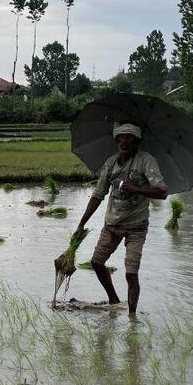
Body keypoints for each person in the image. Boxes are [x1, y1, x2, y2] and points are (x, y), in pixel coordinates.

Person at [74, 122, 167, 315]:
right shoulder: (111, 163)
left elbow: (162, 192)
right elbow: (98, 194)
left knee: (131, 273)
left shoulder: (146, 161)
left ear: (137, 141)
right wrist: (81, 223)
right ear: (116, 140)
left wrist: (136, 188)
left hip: (136, 227)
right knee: (97, 263)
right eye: (121, 137)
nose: (124, 141)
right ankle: (114, 300)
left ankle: (132, 317)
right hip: (112, 224)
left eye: (129, 137)